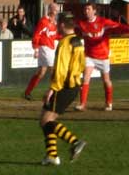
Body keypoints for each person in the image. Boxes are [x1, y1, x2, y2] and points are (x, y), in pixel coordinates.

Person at [39, 12, 87, 166]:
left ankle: (75, 142)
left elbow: (61, 68)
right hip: (74, 85)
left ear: (61, 25)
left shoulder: (65, 43)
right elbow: (81, 64)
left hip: (64, 86)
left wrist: (52, 88)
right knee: (47, 119)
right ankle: (52, 156)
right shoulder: (78, 40)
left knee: (46, 120)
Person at [74, 2, 129, 111]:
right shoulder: (81, 23)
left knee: (106, 80)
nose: (86, 11)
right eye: (85, 9)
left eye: (88, 9)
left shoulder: (103, 22)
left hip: (103, 56)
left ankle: (109, 103)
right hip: (89, 55)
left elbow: (117, 26)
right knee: (85, 79)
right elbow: (75, 30)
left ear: (94, 11)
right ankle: (82, 104)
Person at [24, 3, 60, 100]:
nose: (57, 11)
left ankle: (27, 92)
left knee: (41, 72)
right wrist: (35, 48)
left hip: (50, 48)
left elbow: (54, 36)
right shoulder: (44, 21)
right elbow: (37, 35)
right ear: (51, 10)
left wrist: (64, 36)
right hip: (45, 48)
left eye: (57, 9)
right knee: (53, 70)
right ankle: (52, 93)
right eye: (56, 9)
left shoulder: (54, 22)